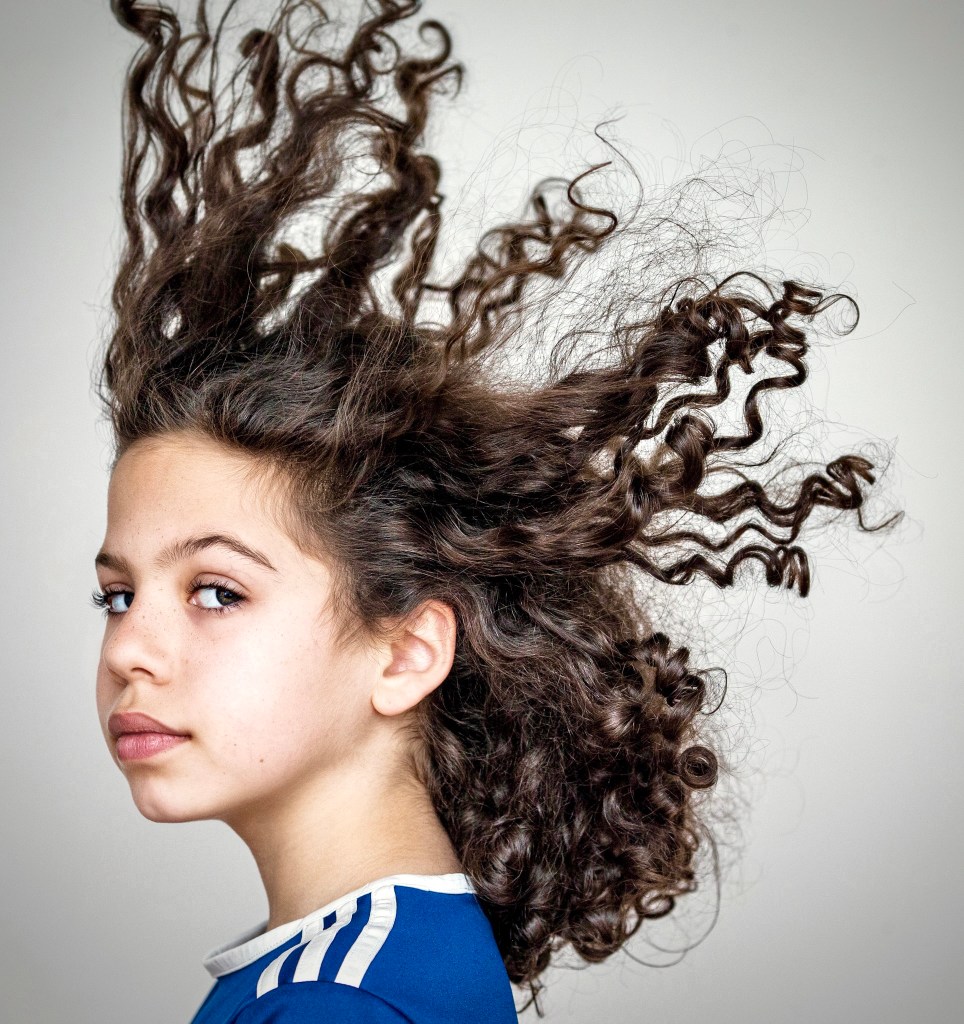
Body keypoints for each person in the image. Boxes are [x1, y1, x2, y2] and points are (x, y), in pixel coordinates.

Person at [92, 1, 901, 1021]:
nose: (131, 650)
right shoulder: (389, 957)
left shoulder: (337, 1002)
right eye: (116, 596)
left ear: (405, 652)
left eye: (215, 589)